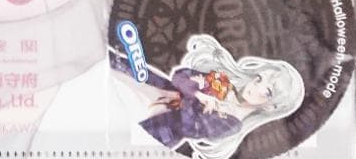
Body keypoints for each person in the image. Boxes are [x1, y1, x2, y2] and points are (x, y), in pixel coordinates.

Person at [111, 33, 304, 159]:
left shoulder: (232, 125)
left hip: (156, 129)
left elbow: (187, 126)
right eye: (259, 78)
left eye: (267, 91)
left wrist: (194, 94)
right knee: (113, 65)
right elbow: (180, 76)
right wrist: (198, 94)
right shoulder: (223, 84)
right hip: (151, 90)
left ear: (271, 106)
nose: (255, 86)